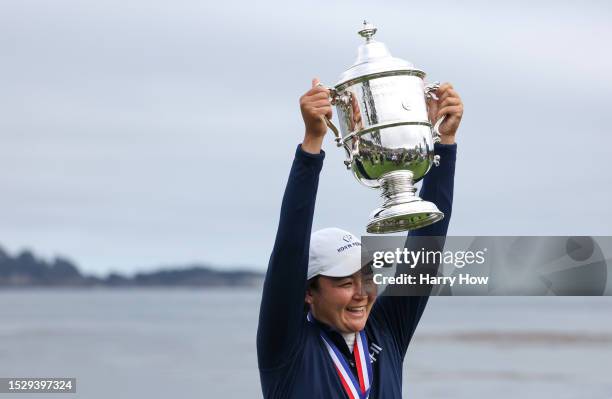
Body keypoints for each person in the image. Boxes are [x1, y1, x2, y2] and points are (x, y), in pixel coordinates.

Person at [257, 78, 463, 398]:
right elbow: (289, 248)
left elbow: (427, 248)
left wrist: (443, 141)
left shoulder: (386, 331)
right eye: (343, 282)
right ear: (309, 292)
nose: (361, 294)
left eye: (366, 277)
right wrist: (312, 143)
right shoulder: (287, 348)